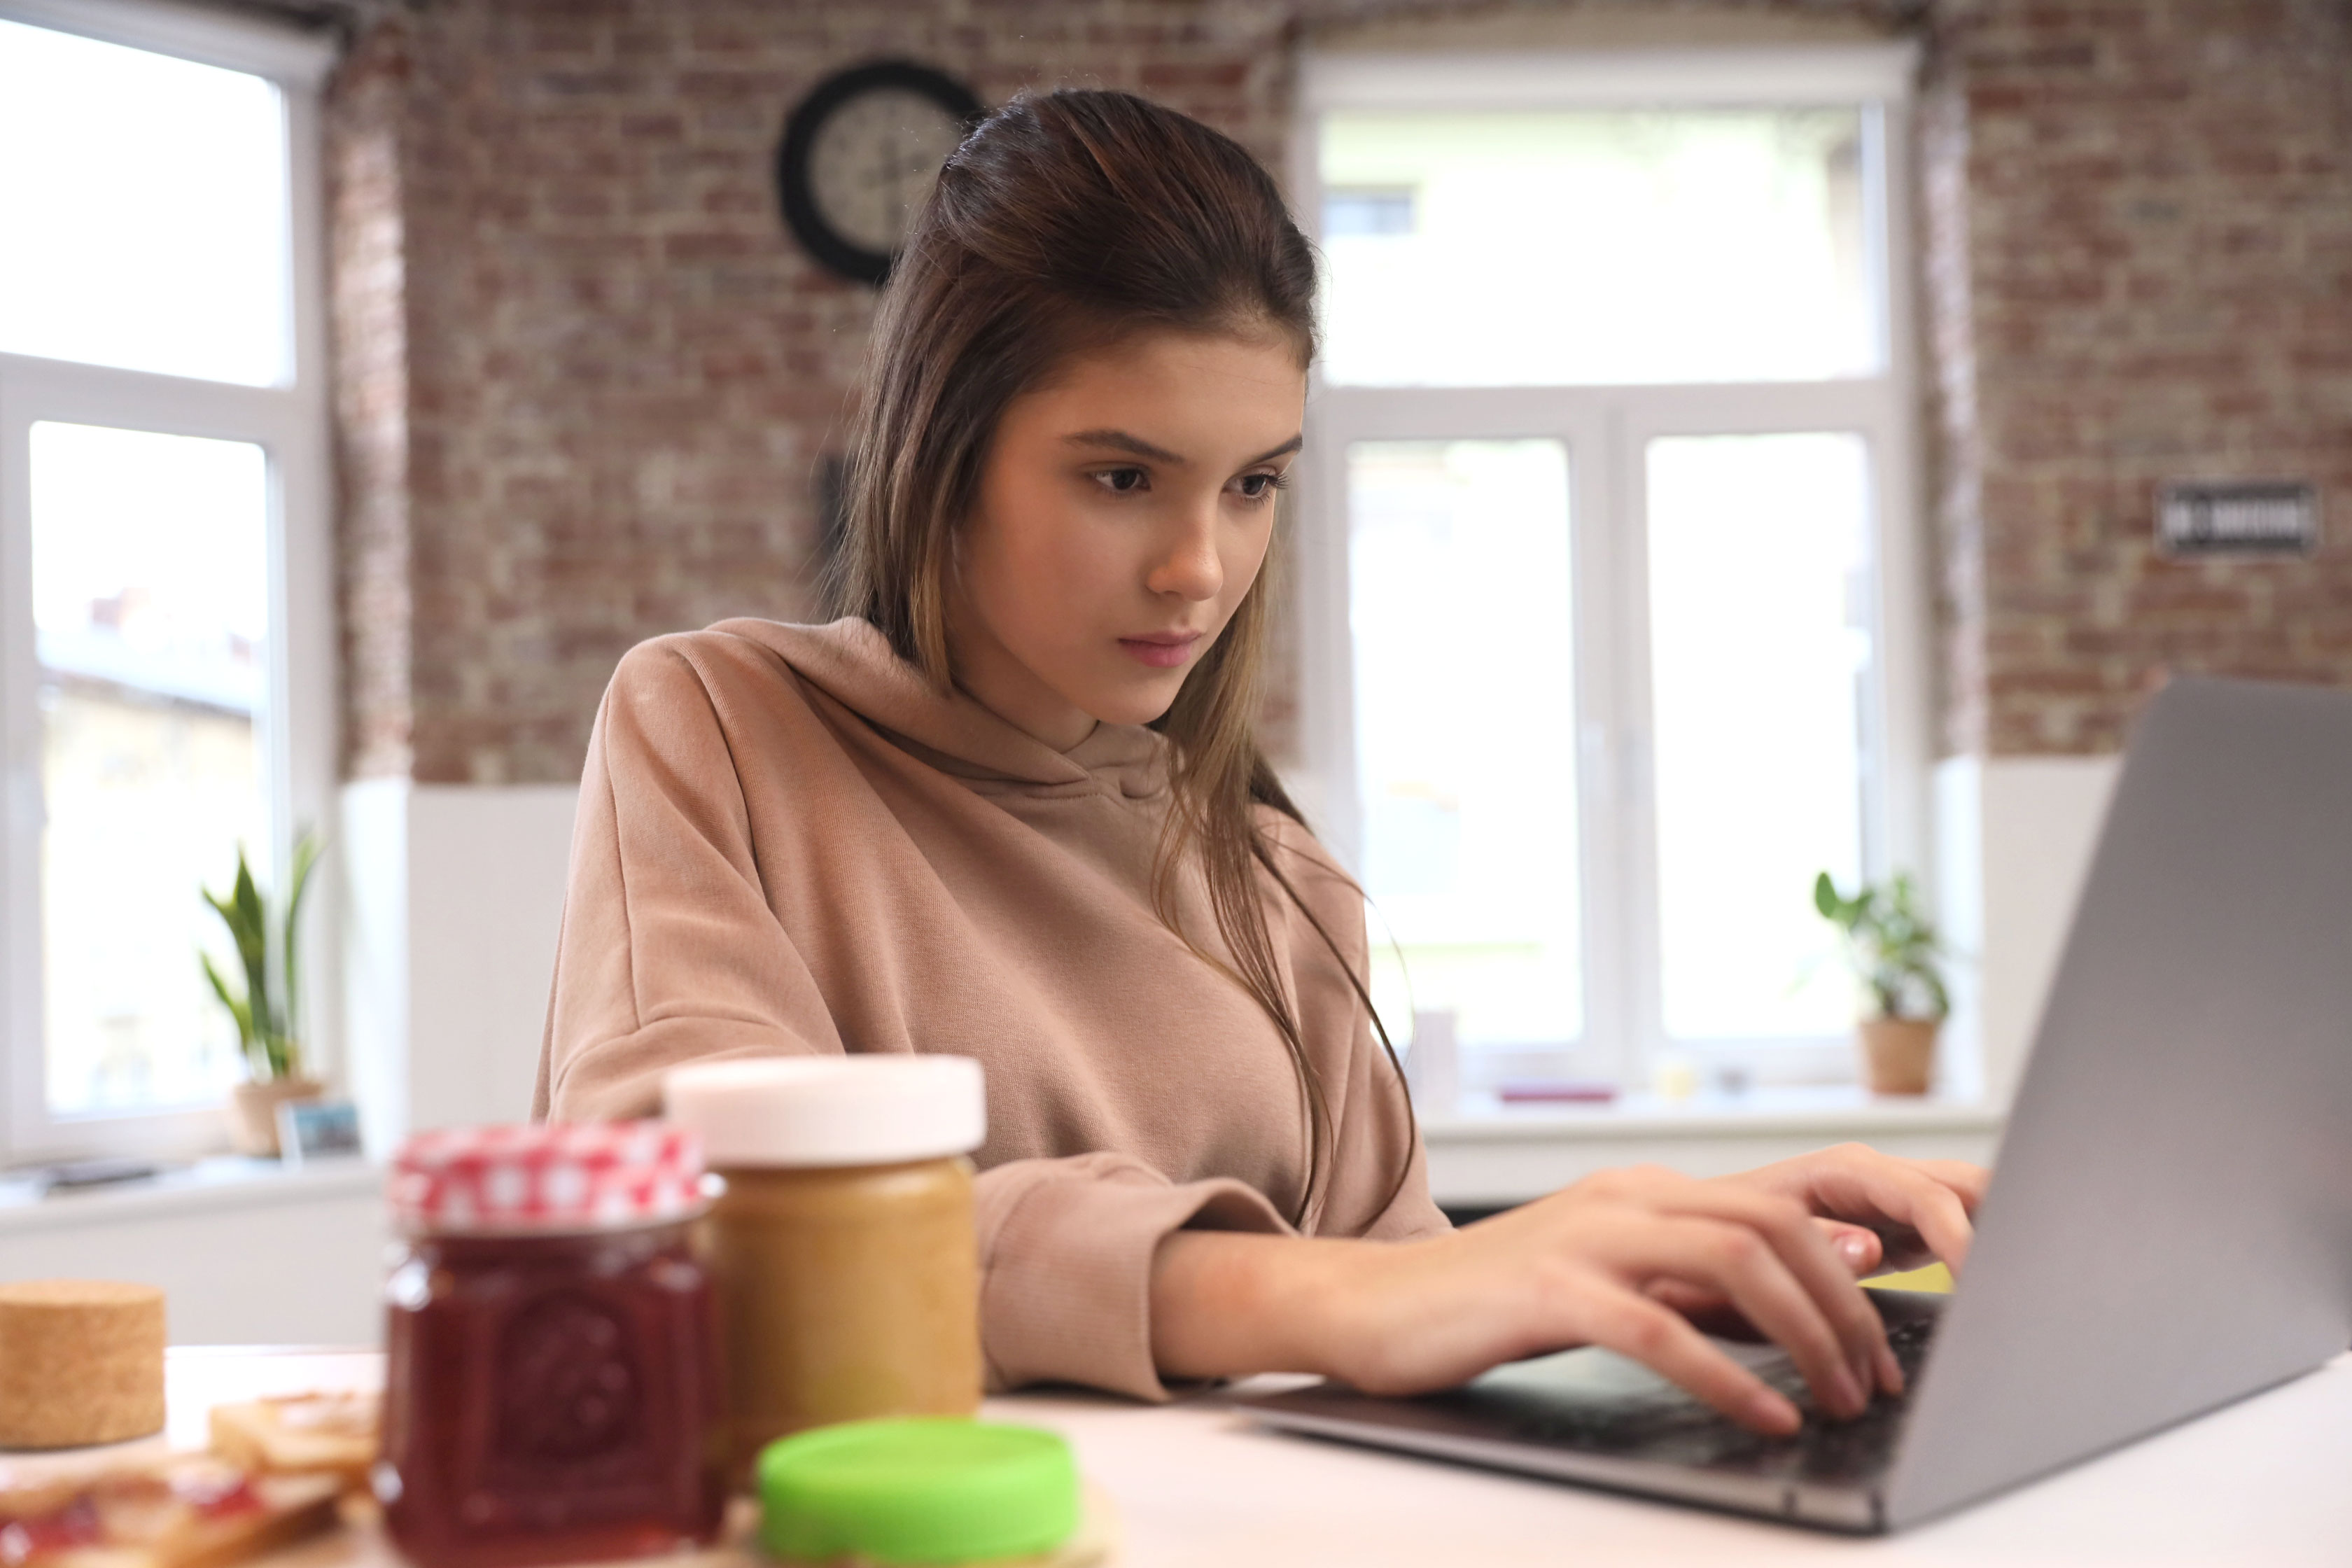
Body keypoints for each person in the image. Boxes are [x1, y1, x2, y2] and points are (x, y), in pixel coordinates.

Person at [534, 88, 1984, 1435]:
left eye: (1253, 486)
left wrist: (1684, 1252)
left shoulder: (1278, 880)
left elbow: (1409, 1313)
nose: (1199, 568)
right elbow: (686, 1212)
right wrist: (1303, 1291)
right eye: (1122, 478)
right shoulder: (722, 728)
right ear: (944, 443)